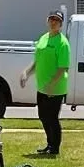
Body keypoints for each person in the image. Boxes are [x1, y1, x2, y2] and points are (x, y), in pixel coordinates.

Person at [20, 9, 70, 157]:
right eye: (52, 19)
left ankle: (54, 149)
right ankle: (49, 144)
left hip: (55, 88)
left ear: (61, 24)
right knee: (43, 116)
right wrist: (26, 73)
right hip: (42, 87)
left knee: (52, 118)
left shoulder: (62, 43)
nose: (54, 22)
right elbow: (37, 62)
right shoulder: (43, 39)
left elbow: (63, 67)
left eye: (57, 20)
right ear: (47, 21)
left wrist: (52, 84)